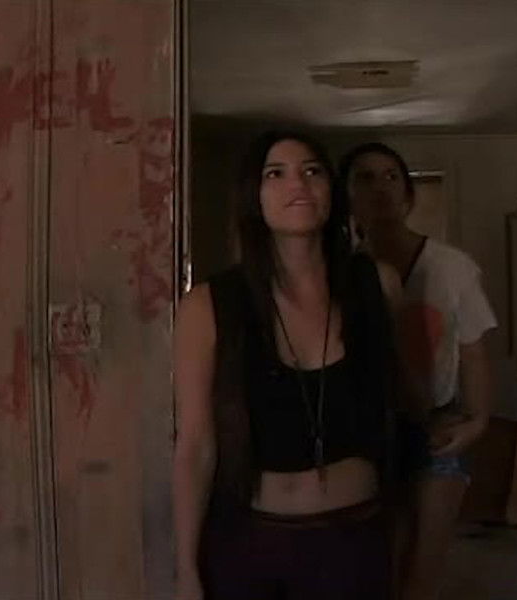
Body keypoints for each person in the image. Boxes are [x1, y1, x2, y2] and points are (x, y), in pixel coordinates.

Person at [173, 131, 405, 600]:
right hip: (249, 544)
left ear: (331, 191)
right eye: (275, 173)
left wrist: (468, 418)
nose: (296, 183)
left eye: (311, 171)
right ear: (254, 197)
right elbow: (195, 445)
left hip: (355, 538)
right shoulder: (209, 305)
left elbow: (404, 399)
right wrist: (185, 569)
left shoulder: (377, 284)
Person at [340, 142, 497, 600]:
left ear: (408, 193)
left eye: (391, 176)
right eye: (365, 178)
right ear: (345, 194)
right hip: (367, 431)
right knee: (377, 567)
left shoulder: (452, 267)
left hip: (435, 426)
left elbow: (473, 350)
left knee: (422, 574)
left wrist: (479, 420)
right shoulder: (341, 272)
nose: (380, 188)